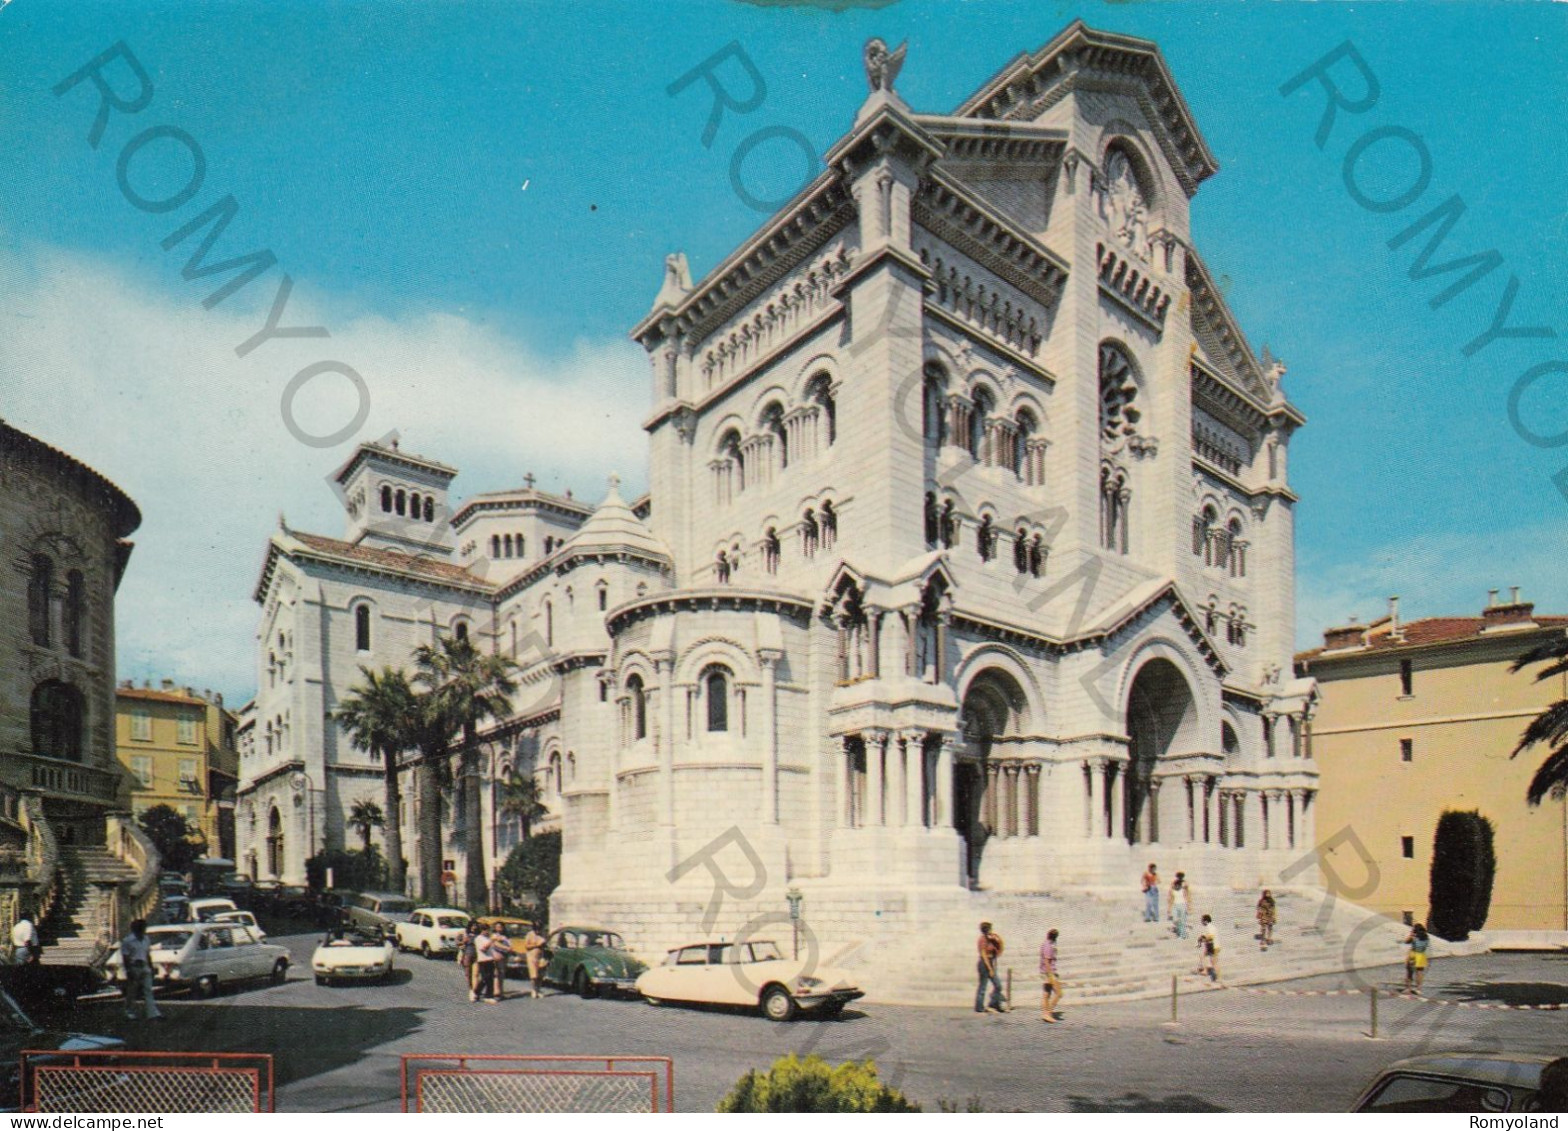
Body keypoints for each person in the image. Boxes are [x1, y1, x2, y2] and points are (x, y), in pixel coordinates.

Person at [119, 919, 163, 1021]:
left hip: (144, 966)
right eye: (142, 928)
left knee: (148, 990)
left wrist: (151, 967)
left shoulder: (146, 939)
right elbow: (125, 957)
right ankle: (128, 1011)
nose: (144, 930)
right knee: (132, 991)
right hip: (134, 967)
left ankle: (153, 1014)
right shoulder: (128, 941)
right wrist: (129, 971)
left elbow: (148, 954)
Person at [974, 921, 1006, 1014]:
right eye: (991, 929)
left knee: (998, 986)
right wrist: (990, 969)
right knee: (983, 986)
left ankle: (994, 1003)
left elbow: (1000, 949)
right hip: (984, 964)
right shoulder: (982, 940)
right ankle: (979, 1007)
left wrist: (998, 940)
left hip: (991, 962)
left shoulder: (992, 939)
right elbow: (983, 955)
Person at [1039, 928, 1063, 1023]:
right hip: (1049, 972)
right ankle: (1048, 1013)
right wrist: (1051, 975)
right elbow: (1047, 961)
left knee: (1046, 994)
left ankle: (1045, 1013)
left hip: (1045, 972)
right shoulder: (1049, 946)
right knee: (1059, 993)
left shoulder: (1045, 944)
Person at [474, 921, 501, 1004]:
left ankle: (488, 995)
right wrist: (491, 941)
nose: (487, 932)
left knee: (490, 978)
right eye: (485, 930)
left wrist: (495, 955)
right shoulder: (478, 938)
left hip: (490, 959)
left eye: (487, 930)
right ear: (481, 930)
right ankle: (476, 992)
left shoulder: (488, 938)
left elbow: (491, 949)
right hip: (483, 960)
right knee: (485, 978)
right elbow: (483, 949)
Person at [1402, 923, 1430, 995]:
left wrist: (1411, 934)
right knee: (1419, 973)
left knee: (1409, 972)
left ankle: (1408, 988)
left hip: (1413, 955)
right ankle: (1419, 989)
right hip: (1421, 955)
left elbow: (1406, 941)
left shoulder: (1414, 936)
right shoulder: (1426, 936)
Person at [522, 923, 547, 999]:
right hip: (532, 957)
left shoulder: (543, 935)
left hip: (541, 956)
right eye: (536, 929)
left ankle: (538, 990)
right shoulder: (529, 934)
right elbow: (526, 946)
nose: (538, 931)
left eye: (539, 929)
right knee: (534, 975)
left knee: (540, 975)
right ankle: (533, 990)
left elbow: (545, 945)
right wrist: (536, 945)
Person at [458, 922, 480, 1002]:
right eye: (473, 925)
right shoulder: (466, 934)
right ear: (470, 926)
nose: (474, 927)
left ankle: (474, 992)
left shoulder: (479, 935)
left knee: (476, 974)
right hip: (467, 955)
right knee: (468, 974)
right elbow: (458, 943)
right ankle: (471, 989)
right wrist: (463, 942)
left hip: (477, 956)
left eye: (475, 926)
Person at [1197, 914, 1220, 983]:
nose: (1201, 922)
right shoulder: (1208, 927)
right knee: (1203, 957)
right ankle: (1205, 970)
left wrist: (1204, 939)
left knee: (1214, 962)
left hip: (1213, 946)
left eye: (1202, 920)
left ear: (1206, 921)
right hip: (1210, 946)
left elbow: (1211, 936)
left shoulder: (1210, 927)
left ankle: (1217, 977)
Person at [1169, 873, 1191, 940]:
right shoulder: (1173, 889)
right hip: (1175, 906)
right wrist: (1169, 909)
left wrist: (1188, 907)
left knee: (1182, 921)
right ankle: (1180, 932)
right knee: (1176, 920)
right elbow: (1171, 899)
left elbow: (1187, 896)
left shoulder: (1184, 887)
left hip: (1182, 905)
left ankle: (1182, 935)